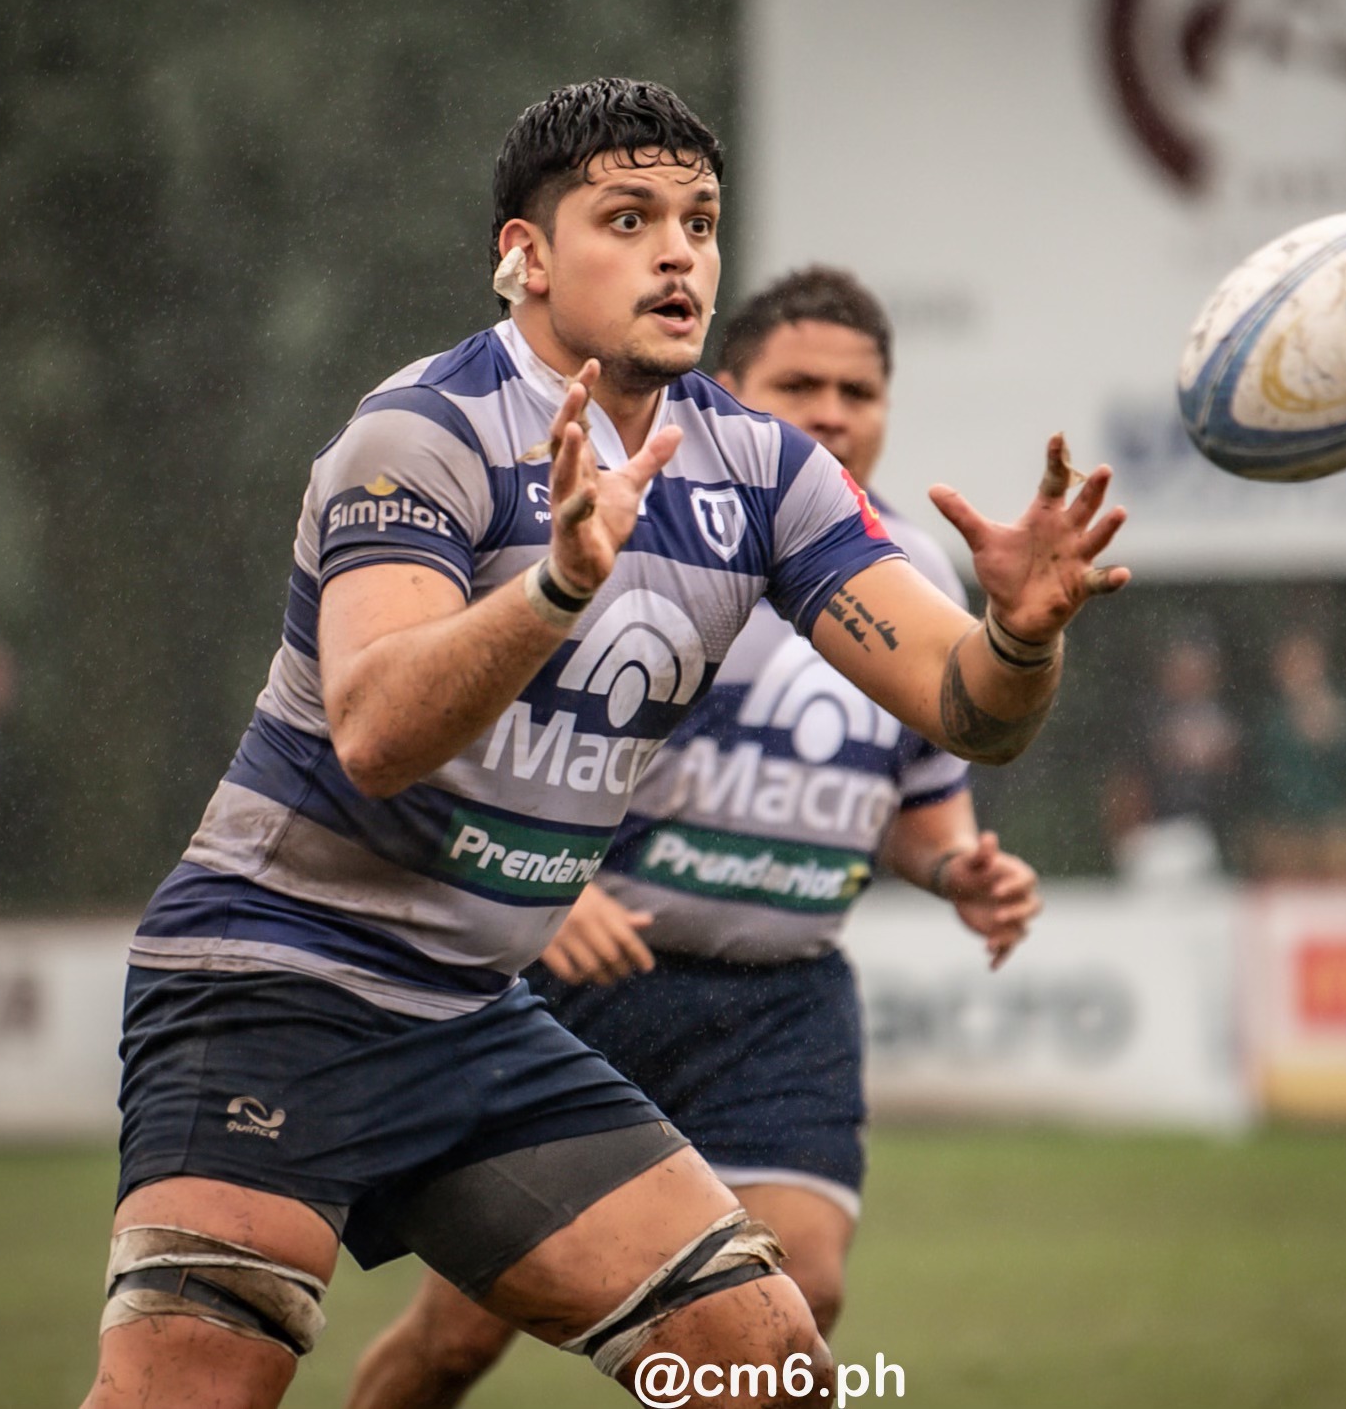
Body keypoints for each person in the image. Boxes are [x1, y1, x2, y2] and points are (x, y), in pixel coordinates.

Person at [84, 78, 1130, 1409]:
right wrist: (556, 589)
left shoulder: (762, 472)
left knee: (766, 1366)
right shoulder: (422, 432)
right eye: (627, 218)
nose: (679, 250)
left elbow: (966, 712)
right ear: (524, 255)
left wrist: (1024, 635)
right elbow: (376, 735)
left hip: (473, 1016)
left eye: (697, 218)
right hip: (278, 980)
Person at [344, 268, 1044, 1409]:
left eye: (857, 389)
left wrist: (959, 868)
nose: (830, 412)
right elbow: (451, 751)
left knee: (796, 1297)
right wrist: (542, 893)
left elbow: (920, 806)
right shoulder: (630, 541)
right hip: (587, 993)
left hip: (780, 1001)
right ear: (730, 395)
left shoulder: (913, 577)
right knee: (458, 1340)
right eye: (797, 385)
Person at [1101, 630, 1241, 884]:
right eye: (1183, 666)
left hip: (1206, 837)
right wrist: (1127, 838)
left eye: (1198, 667)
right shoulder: (1146, 718)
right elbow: (1125, 784)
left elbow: (1234, 779)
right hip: (1156, 837)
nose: (1190, 676)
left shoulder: (1222, 717)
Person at [1246, 627, 1346, 880]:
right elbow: (1255, 767)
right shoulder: (1266, 715)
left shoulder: (1343, 710)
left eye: (1307, 661)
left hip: (1335, 826)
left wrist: (1336, 732)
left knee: (1344, 894)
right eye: (1292, 662)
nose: (1300, 670)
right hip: (1282, 827)